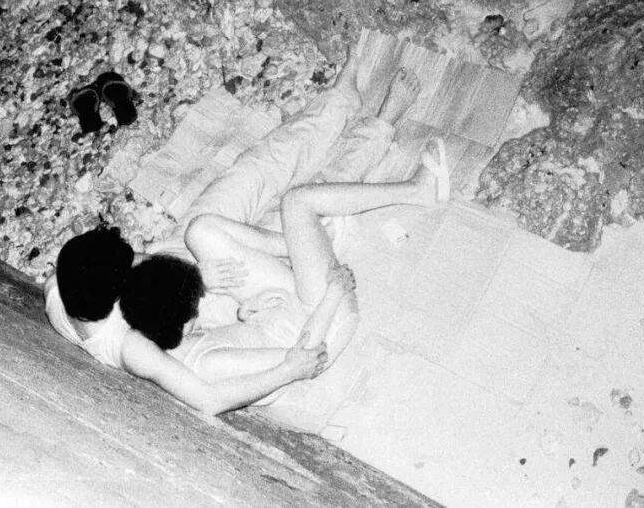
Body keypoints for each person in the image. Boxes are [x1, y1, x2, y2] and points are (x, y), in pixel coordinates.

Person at [44, 46, 451, 413]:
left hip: (175, 268)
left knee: (252, 171)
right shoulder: (133, 347)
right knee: (309, 203)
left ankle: (339, 101)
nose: (135, 256)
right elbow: (207, 390)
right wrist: (201, 289)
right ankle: (381, 125)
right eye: (129, 262)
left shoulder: (62, 287)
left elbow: (134, 260)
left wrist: (182, 270)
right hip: (189, 305)